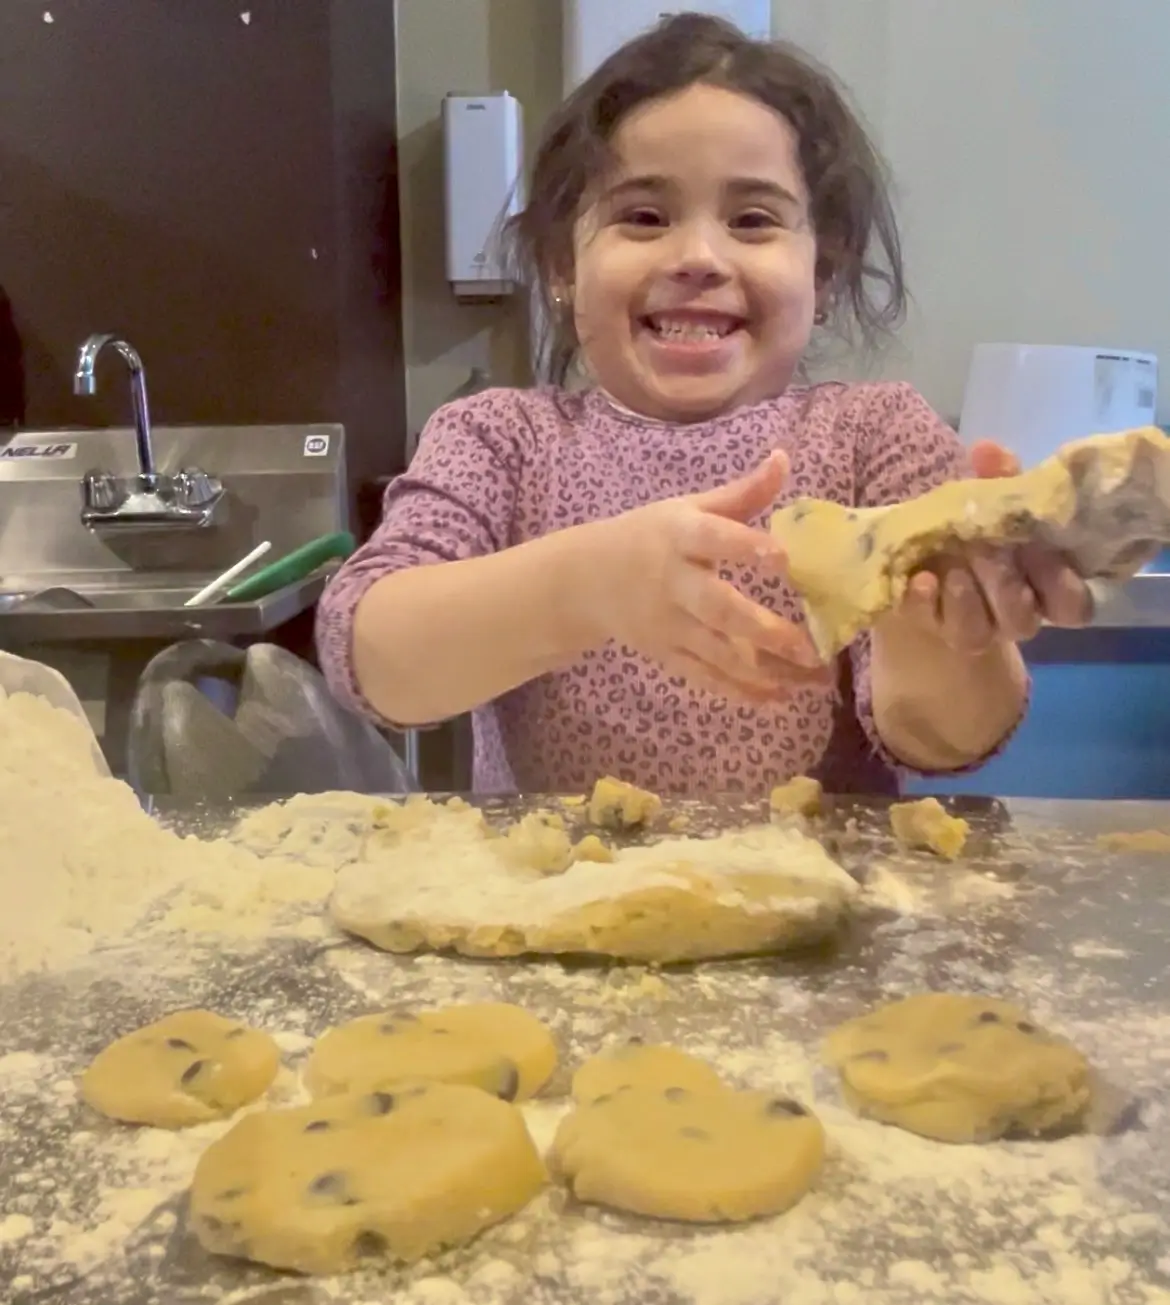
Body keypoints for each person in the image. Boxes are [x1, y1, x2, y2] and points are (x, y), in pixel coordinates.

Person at [316, 13, 1091, 796]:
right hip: (556, 903)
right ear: (561, 263)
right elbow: (369, 655)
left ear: (823, 271)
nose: (697, 257)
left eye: (753, 220)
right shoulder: (501, 439)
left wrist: (939, 636)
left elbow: (942, 737)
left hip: (811, 905)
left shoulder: (873, 438)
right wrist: (585, 586)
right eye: (643, 217)